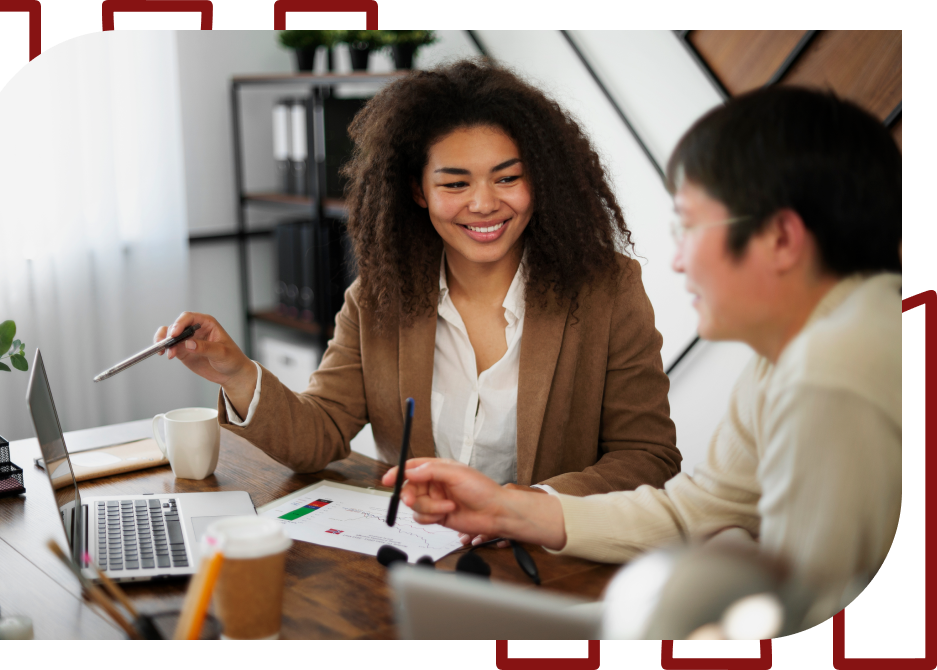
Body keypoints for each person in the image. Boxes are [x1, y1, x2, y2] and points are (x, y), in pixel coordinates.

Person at [383, 85, 902, 633]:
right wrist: (504, 509)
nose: (677, 261)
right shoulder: (802, 350)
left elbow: (811, 610)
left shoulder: (830, 372)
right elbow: (697, 512)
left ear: (780, 238)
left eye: (689, 228)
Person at [156, 60, 681, 533]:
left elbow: (647, 454)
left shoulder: (607, 290)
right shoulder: (378, 299)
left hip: (547, 562)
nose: (484, 203)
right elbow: (320, 435)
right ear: (417, 190)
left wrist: (528, 506)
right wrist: (235, 372)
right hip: (420, 556)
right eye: (455, 184)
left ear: (539, 180)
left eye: (508, 178)